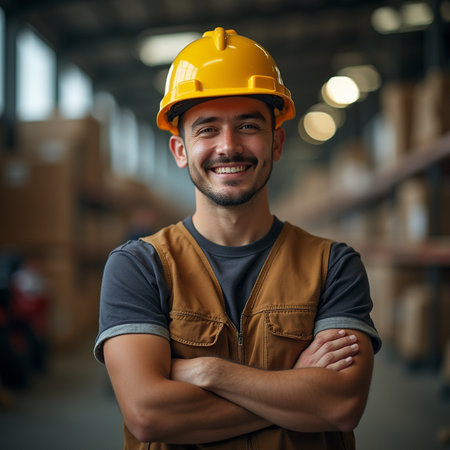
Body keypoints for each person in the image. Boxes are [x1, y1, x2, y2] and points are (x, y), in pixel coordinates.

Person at [94, 27, 381, 450]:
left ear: (276, 142)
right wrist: (298, 391)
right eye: (207, 129)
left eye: (248, 126)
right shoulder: (139, 266)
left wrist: (211, 372)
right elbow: (149, 415)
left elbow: (340, 405)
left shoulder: (333, 264)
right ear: (180, 150)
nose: (228, 147)